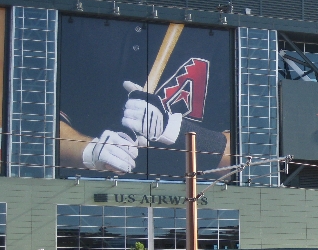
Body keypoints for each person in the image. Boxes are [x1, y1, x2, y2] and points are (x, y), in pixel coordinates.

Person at [58, 17, 232, 179]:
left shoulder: (219, 28)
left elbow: (242, 157)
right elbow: (44, 125)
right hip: (81, 191)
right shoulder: (82, 18)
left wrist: (172, 128)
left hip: (187, 195)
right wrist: (88, 151)